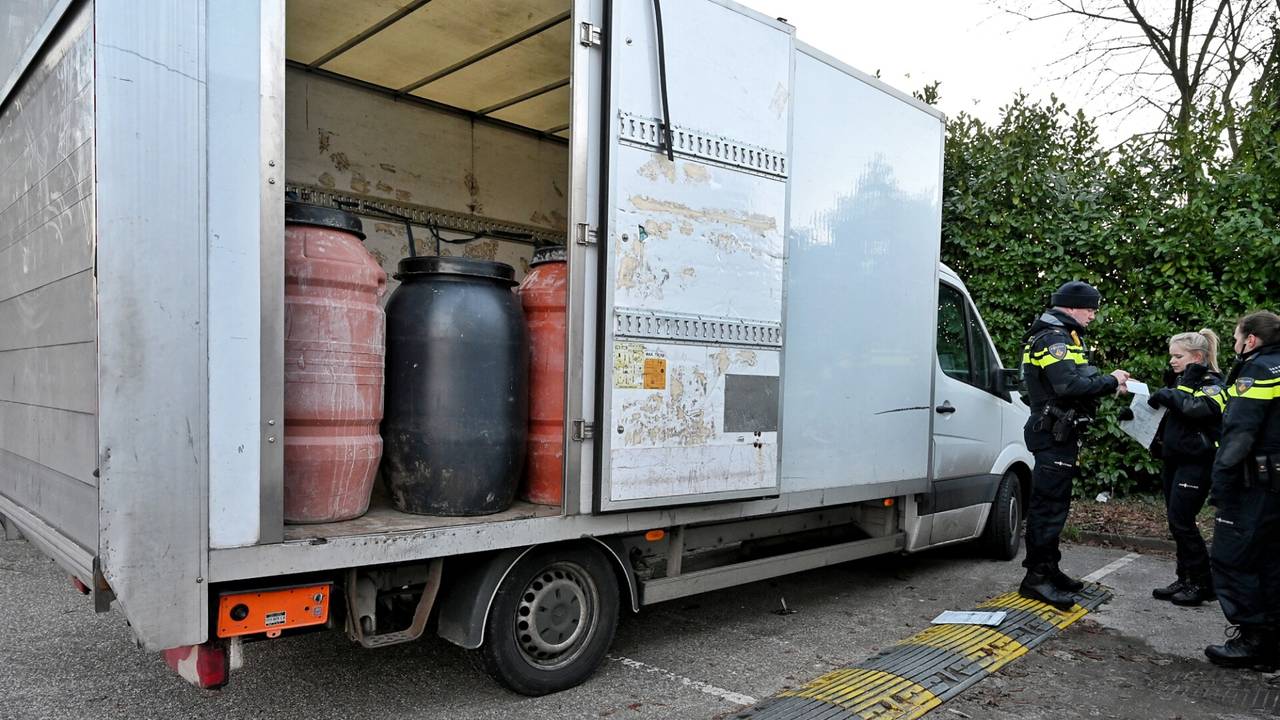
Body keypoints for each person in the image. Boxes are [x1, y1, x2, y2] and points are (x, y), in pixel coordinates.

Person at [1019, 280, 1130, 610]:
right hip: (1052, 432)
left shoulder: (1062, 335)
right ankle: (1036, 579)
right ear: (1070, 307)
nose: (1093, 315)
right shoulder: (1054, 338)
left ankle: (1049, 570)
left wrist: (1108, 383)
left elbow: (1076, 378)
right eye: (1090, 308)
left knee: (1055, 506)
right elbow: (1068, 385)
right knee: (1047, 508)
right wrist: (1112, 381)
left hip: (1058, 432)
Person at [1204, 310, 1280, 670]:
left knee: (1231, 557)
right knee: (1270, 560)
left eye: (1236, 337)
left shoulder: (1258, 369)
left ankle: (1253, 639)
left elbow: (1240, 434)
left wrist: (1221, 484)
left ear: (1250, 339)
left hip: (1255, 483)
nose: (1234, 343)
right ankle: (1272, 642)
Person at [1147, 329, 1226, 606]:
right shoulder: (1182, 381)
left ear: (1198, 357)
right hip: (1175, 460)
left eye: (1178, 356)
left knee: (1182, 521)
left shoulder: (1213, 383)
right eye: (1171, 356)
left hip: (1198, 463)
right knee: (1175, 521)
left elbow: (1197, 409)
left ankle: (1203, 583)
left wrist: (1172, 392)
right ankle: (1185, 577)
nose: (1172, 361)